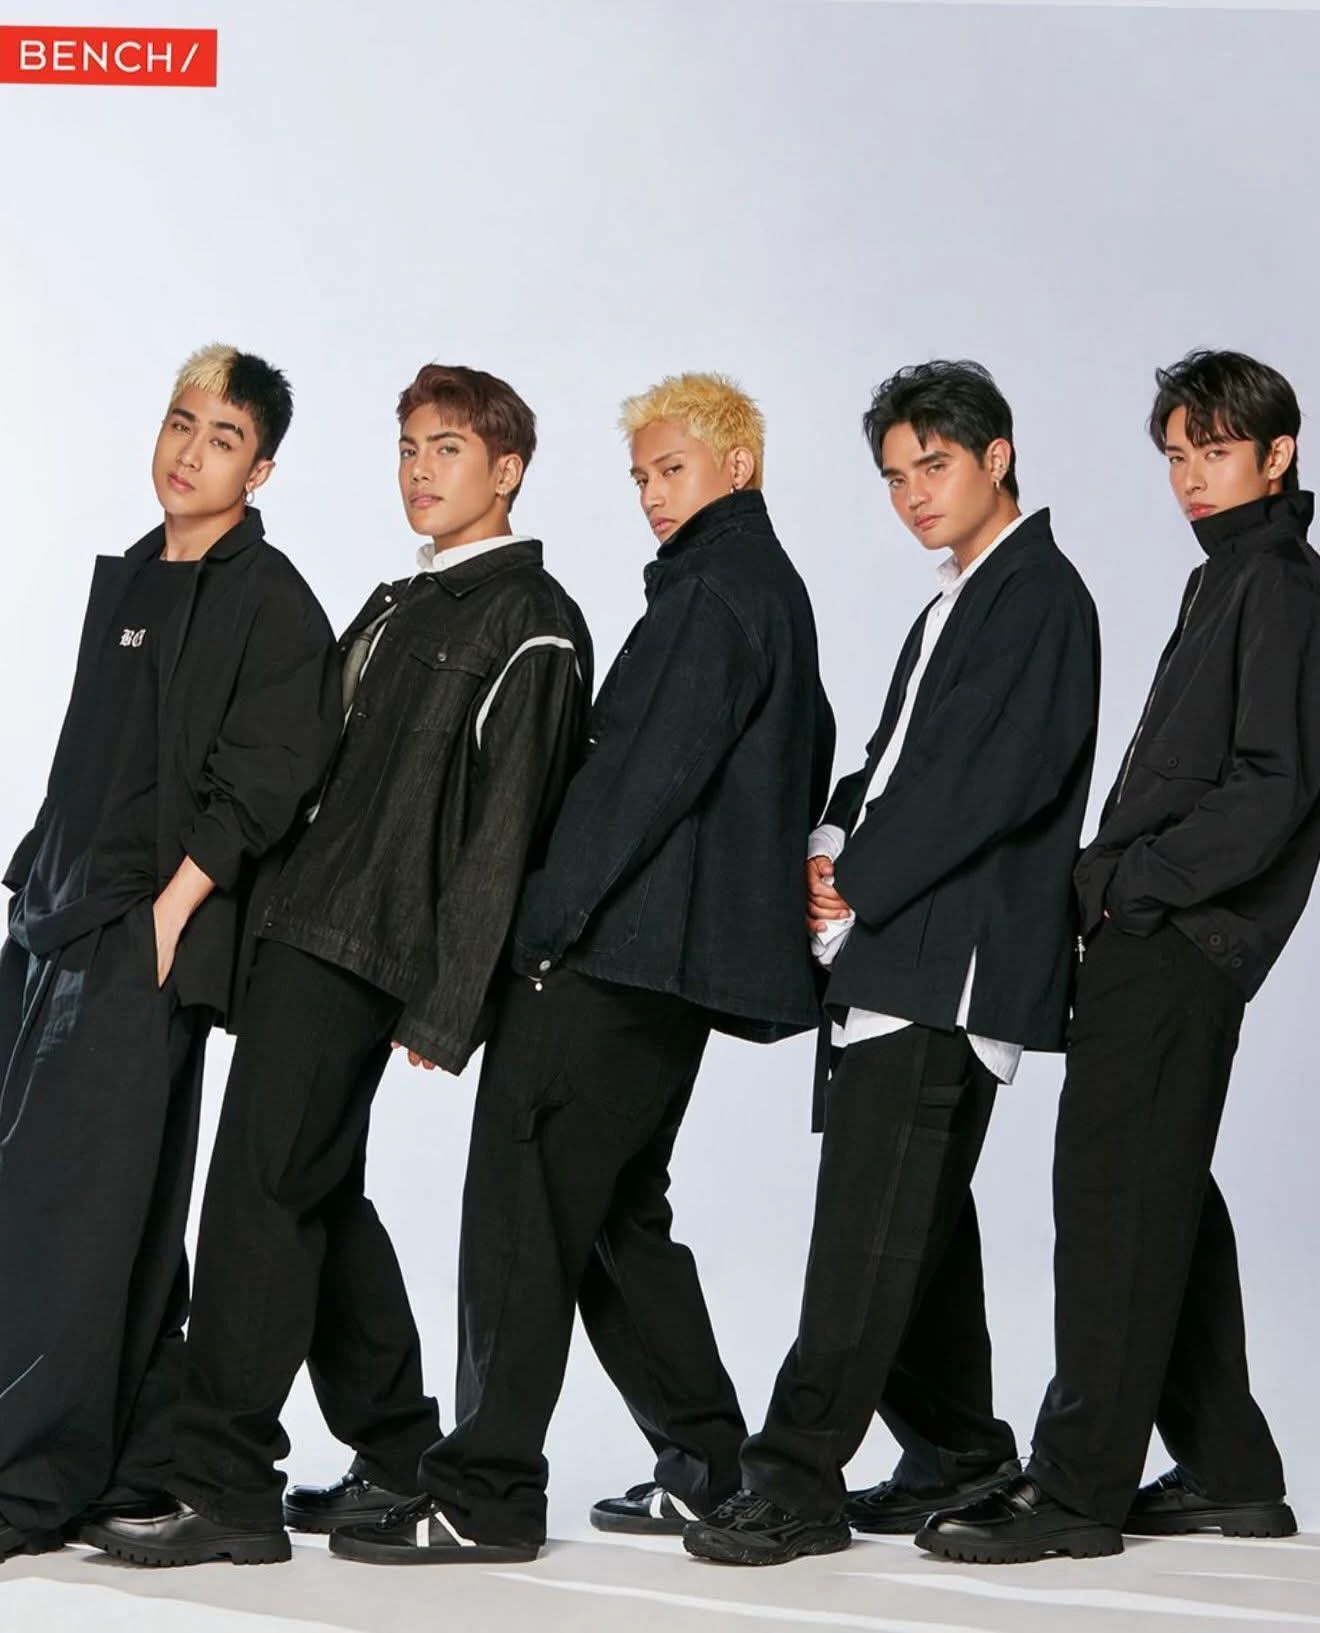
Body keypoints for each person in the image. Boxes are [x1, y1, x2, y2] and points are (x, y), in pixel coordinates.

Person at [81, 363, 595, 1569]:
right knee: (318, 1192)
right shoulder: (404, 597)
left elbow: (508, 821)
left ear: (508, 470)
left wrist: (449, 999)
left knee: (257, 1195)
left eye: (448, 449)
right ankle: (400, 1446)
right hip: (304, 923)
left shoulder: (529, 617)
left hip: (362, 939)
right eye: (409, 447)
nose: (420, 469)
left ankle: (224, 1489)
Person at [327, 370, 835, 1565]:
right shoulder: (766, 590)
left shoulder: (711, 594)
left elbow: (631, 789)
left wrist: (538, 933)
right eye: (642, 474)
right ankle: (708, 1466)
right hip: (666, 973)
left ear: (738, 466)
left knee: (520, 1210)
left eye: (675, 468)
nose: (653, 493)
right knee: (613, 1217)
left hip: (605, 960)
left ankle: (485, 1491)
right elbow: (794, 752)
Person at [684, 360, 1101, 1567]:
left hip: (945, 967)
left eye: (936, 465)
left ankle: (794, 1480)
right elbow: (889, 764)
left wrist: (856, 878)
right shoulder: (957, 601)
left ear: (996, 456)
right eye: (895, 476)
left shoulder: (1038, 594)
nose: (914, 493)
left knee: (864, 1233)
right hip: (896, 955)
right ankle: (959, 1449)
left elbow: (989, 781)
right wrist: (829, 843)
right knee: (917, 1224)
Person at [920, 349, 1316, 1565]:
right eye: (1178, 455)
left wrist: (1127, 883)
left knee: (1110, 1199)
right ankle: (1232, 1472)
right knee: (1163, 1192)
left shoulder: (1278, 584)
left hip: (1181, 936)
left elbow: (1275, 787)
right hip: (1168, 930)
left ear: (1278, 455)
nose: (1191, 476)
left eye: (1216, 452)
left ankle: (1077, 1487)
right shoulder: (1230, 577)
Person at [0, 345, 339, 1563]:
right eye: (180, 423)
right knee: (93, 1209)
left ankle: (25, 1486)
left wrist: (168, 914)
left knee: (82, 1215)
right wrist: (31, 887)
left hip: (142, 937)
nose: (190, 452)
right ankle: (132, 1468)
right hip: (54, 920)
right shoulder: (140, 568)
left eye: (223, 437)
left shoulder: (272, 599)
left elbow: (267, 778)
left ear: (263, 468)